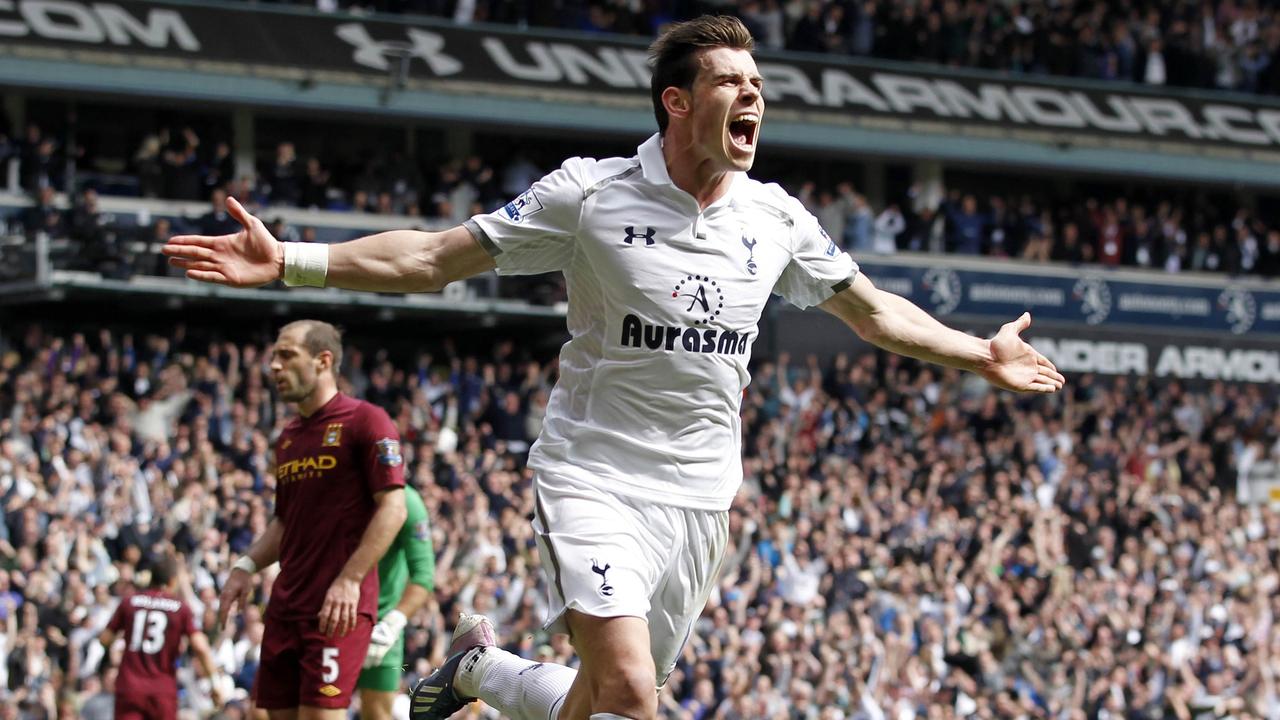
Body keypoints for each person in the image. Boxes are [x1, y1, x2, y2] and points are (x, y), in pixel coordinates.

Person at [163, 15, 1064, 720]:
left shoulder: (777, 218)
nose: (753, 97)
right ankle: (496, 672)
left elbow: (873, 313)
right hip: (593, 470)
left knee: (608, 701)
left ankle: (488, 671)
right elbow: (434, 258)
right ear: (678, 102)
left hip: (702, 496)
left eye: (758, 84)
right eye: (731, 82)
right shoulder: (589, 195)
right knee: (629, 691)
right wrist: (292, 261)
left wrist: (979, 353)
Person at [216, 320, 408, 719]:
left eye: (286, 355)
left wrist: (350, 579)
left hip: (337, 610)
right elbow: (283, 522)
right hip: (286, 607)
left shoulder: (365, 421)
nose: (273, 366)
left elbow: (395, 507)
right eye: (272, 356)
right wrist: (244, 566)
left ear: (323, 361)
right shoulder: (287, 438)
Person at [99, 554, 223, 719]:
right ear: (172, 581)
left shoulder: (130, 602)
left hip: (130, 686)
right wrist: (215, 684)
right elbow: (201, 647)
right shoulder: (180, 608)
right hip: (162, 689)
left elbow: (105, 639)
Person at [358, 484, 435, 720]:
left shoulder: (408, 501)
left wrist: (392, 624)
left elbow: (424, 574)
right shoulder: (336, 490)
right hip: (331, 618)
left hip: (382, 627)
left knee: (378, 714)